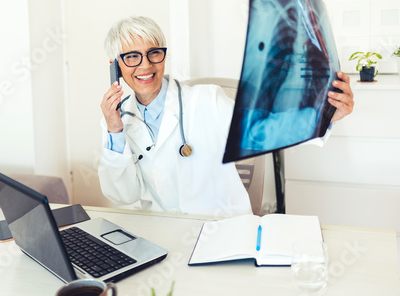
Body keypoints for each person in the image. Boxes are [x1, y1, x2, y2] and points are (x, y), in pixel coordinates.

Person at [98, 16, 354, 217]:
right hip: (163, 233)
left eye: (154, 52)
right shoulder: (117, 121)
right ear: (116, 66)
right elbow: (123, 195)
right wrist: (114, 131)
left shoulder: (206, 100)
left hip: (219, 227)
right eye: (132, 57)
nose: (145, 65)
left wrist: (325, 115)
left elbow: (264, 129)